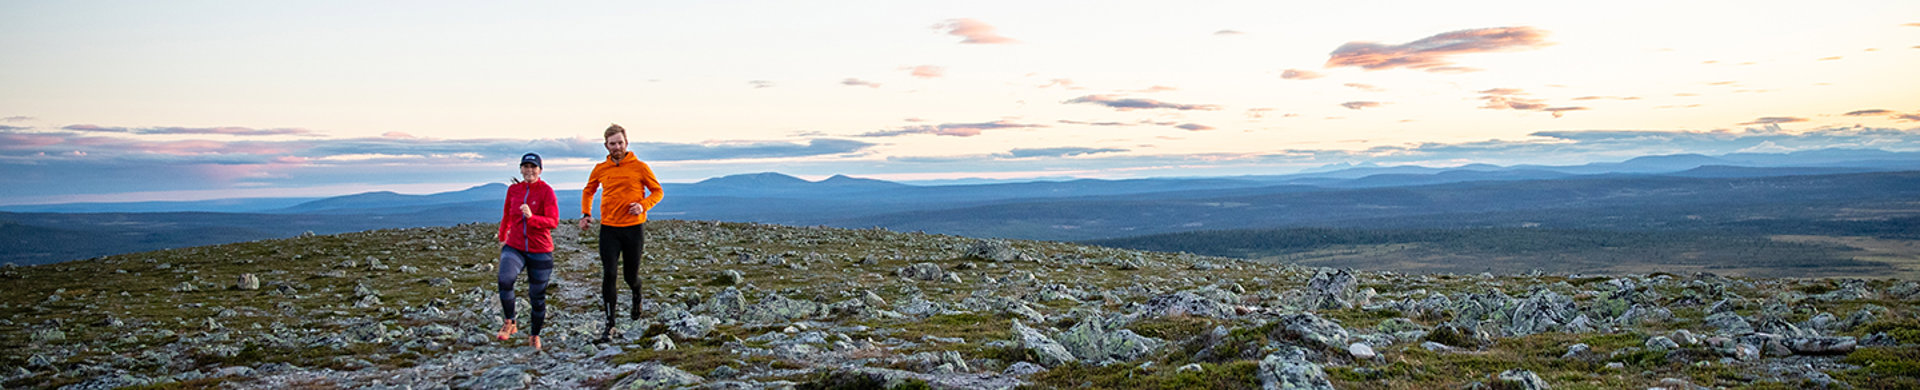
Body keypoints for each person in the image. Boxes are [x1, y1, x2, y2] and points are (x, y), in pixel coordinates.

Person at [578, 124, 664, 343]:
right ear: (606, 145)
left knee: (630, 276)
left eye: (620, 143)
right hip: (609, 228)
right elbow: (589, 190)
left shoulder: (640, 167)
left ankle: (637, 294)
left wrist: (643, 205)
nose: (616, 147)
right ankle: (610, 325)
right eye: (612, 144)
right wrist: (586, 213)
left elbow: (658, 191)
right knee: (609, 274)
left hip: (633, 229)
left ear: (627, 143)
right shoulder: (600, 168)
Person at [494, 152, 559, 350]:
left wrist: (532, 218)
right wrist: (502, 236)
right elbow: (506, 214)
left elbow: (553, 222)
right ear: (521, 169)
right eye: (526, 166)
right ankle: (509, 321)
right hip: (514, 246)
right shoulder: (514, 190)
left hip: (540, 249)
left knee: (537, 296)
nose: (529, 170)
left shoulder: (547, 191)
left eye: (533, 167)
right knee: (505, 279)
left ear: (540, 170)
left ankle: (534, 335)